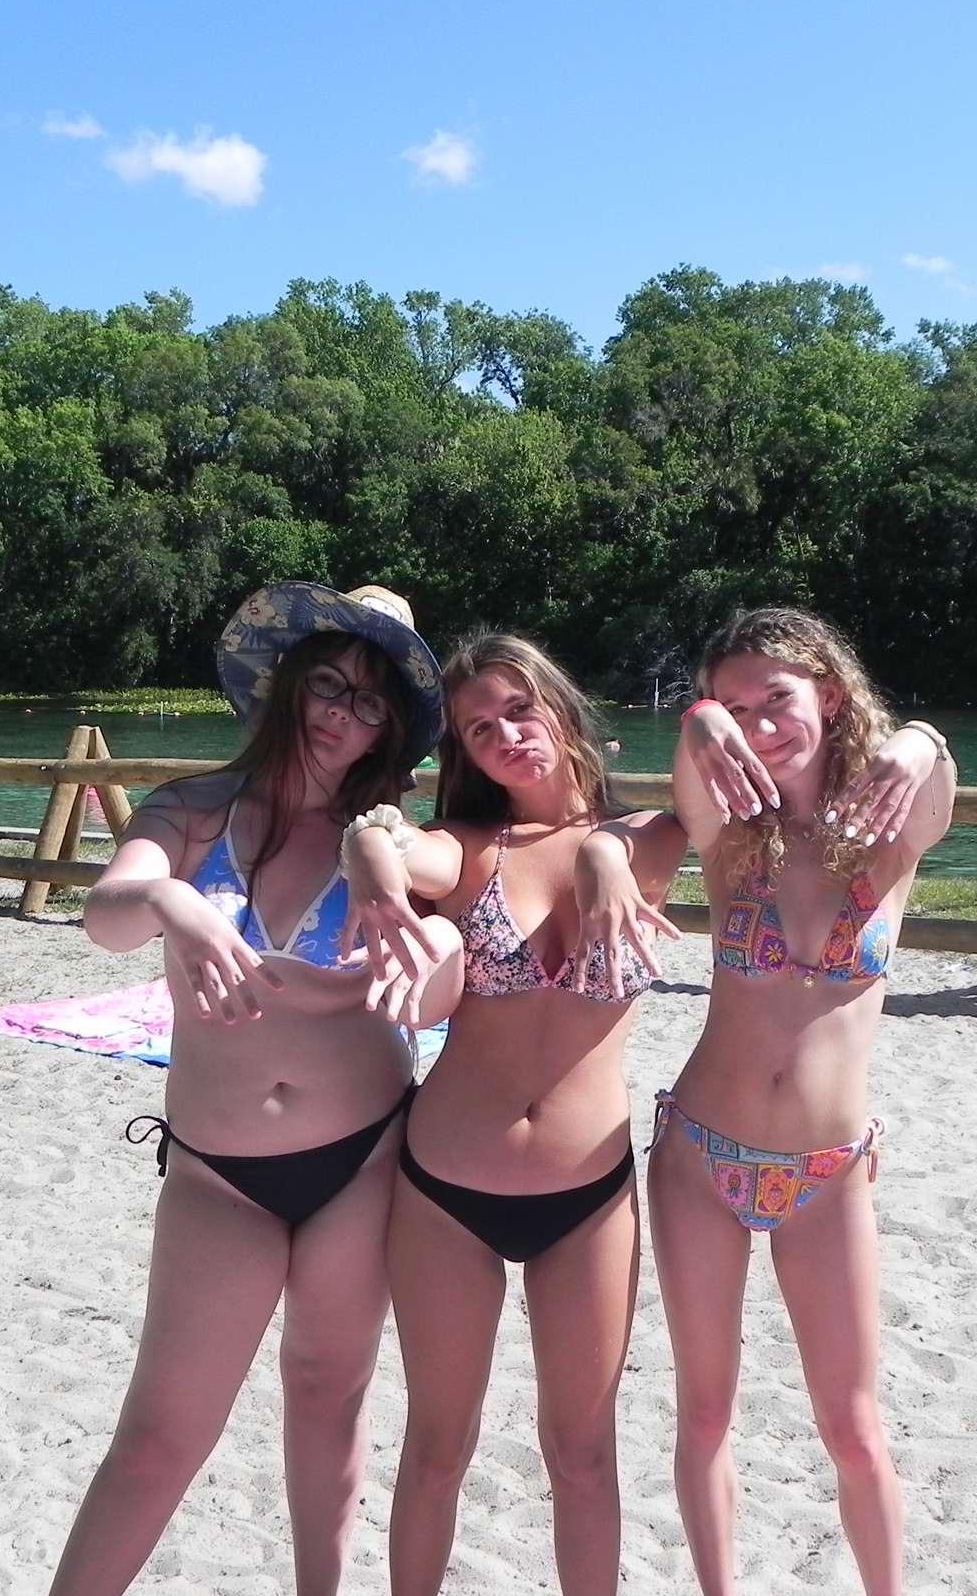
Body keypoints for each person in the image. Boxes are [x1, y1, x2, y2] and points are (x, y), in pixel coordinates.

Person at [48, 582, 458, 1596]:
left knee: (328, 1401)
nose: (342, 717)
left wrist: (404, 888)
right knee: (157, 1438)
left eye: (371, 704)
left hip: (360, 1159)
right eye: (329, 686)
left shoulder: (387, 841)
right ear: (285, 682)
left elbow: (447, 934)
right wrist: (171, 900)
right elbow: (106, 916)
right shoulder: (192, 811)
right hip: (217, 1173)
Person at [340, 631, 692, 1596]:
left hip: (589, 1198)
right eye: (477, 726)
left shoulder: (658, 838)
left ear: (563, 708)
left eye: (519, 708)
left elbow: (721, 746)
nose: (504, 735)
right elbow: (385, 833)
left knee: (582, 1453)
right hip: (445, 1188)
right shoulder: (469, 847)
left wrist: (612, 847)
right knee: (438, 1445)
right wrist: (367, 854)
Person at [653, 606, 953, 1596]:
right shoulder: (731, 834)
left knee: (856, 1431)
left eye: (774, 699)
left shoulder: (886, 827)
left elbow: (936, 782)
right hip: (700, 1154)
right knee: (704, 1414)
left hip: (829, 1173)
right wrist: (702, 719)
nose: (756, 723)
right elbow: (692, 766)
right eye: (736, 706)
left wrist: (919, 739)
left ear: (827, 693)